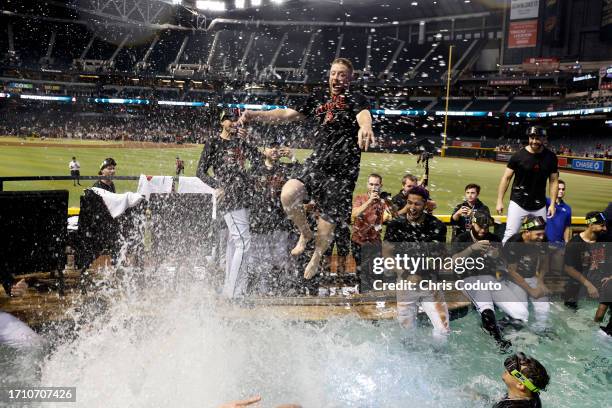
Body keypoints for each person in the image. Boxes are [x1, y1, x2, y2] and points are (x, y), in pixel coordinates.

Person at [238, 58, 375, 280]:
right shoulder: (318, 99)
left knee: (327, 222)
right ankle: (305, 233)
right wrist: (254, 115)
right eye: (333, 73)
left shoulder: (355, 98)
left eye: (342, 74)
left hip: (342, 172)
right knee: (288, 193)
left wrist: (366, 127)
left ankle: (317, 257)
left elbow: (363, 116)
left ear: (350, 78)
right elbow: (284, 115)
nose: (336, 78)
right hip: (317, 163)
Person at [196, 109, 264, 299]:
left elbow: (258, 161)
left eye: (236, 119)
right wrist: (218, 186)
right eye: (230, 120)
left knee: (234, 244)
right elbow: (200, 171)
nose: (234, 122)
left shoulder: (240, 141)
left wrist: (248, 141)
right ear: (222, 122)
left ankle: (233, 290)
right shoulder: (214, 142)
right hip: (230, 197)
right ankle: (233, 294)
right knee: (244, 243)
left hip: (243, 195)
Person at [383, 186, 450, 341]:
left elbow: (441, 256)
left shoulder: (437, 226)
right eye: (409, 203)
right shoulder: (396, 225)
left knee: (443, 330)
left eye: (417, 204)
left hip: (430, 286)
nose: (412, 208)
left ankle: (437, 358)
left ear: (426, 204)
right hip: (405, 285)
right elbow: (386, 254)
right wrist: (406, 274)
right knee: (407, 334)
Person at [452, 212, 512, 349]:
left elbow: (503, 264)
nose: (483, 230)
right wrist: (471, 249)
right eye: (480, 226)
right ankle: (498, 339)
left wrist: (497, 257)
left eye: (486, 227)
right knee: (485, 305)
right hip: (467, 278)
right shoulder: (462, 238)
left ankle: (492, 326)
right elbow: (452, 262)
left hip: (488, 278)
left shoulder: (493, 238)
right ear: (473, 223)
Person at [248, 141, 299, 295]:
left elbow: (303, 175)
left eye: (277, 148)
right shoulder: (255, 169)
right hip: (259, 223)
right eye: (271, 147)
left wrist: (293, 157)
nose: (275, 150)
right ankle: (259, 291)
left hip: (280, 222)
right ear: (264, 150)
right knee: (258, 260)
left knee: (280, 258)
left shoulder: (284, 169)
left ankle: (279, 291)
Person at [496, 126, 559, 243]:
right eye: (532, 137)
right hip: (518, 202)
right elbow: (506, 178)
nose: (534, 141)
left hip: (539, 204)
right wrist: (500, 200)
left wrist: (552, 204)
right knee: (510, 234)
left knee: (540, 237)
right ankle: (505, 260)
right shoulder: (518, 156)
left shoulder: (551, 157)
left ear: (544, 138)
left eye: (538, 138)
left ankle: (533, 261)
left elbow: (554, 181)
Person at [502, 215, 551, 326]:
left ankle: (539, 332)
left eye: (543, 233)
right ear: (527, 232)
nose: (542, 237)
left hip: (531, 277)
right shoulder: (514, 243)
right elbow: (512, 272)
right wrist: (531, 290)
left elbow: (545, 262)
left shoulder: (543, 240)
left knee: (544, 310)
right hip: (512, 280)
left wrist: (540, 282)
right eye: (538, 234)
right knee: (521, 312)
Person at [351, 173, 392, 292]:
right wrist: (369, 201)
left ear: (381, 185)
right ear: (367, 184)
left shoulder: (383, 201)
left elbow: (393, 215)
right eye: (371, 184)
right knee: (361, 270)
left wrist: (389, 204)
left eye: (376, 184)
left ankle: (371, 295)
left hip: (375, 242)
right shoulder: (359, 198)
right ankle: (362, 294)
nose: (374, 187)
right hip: (359, 240)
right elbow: (355, 214)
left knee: (374, 271)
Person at [563, 211, 608, 309]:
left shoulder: (605, 239)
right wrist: (589, 285)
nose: (605, 228)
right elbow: (568, 269)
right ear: (591, 225)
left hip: (600, 285)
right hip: (579, 287)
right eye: (602, 226)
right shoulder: (575, 243)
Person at [544, 180, 571, 245]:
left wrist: (566, 243)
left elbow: (567, 227)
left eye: (563, 189)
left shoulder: (567, 208)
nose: (561, 191)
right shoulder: (546, 202)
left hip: (559, 244)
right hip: (544, 243)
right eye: (558, 189)